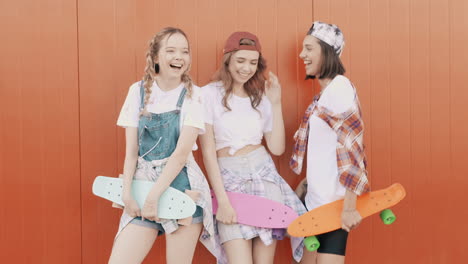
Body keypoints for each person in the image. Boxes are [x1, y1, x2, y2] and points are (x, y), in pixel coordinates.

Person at [109, 27, 218, 264]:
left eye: (185, 51)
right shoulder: (137, 92)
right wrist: (127, 193)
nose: (179, 56)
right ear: (156, 57)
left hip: (181, 187)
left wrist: (153, 198)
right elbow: (131, 154)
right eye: (171, 50)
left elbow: (180, 156)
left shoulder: (195, 95)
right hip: (142, 184)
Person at [200, 31, 307, 264]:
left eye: (253, 62)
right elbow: (208, 152)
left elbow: (277, 148)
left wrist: (276, 102)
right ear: (227, 59)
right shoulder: (207, 94)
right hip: (229, 181)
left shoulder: (260, 97)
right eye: (240, 61)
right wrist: (223, 200)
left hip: (264, 176)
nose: (246, 68)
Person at [290, 21, 371, 263]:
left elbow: (352, 148)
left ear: (327, 50)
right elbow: (329, 147)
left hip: (334, 206)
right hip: (315, 202)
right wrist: (308, 180)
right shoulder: (324, 96)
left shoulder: (340, 88)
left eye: (309, 48)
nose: (302, 55)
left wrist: (349, 207)